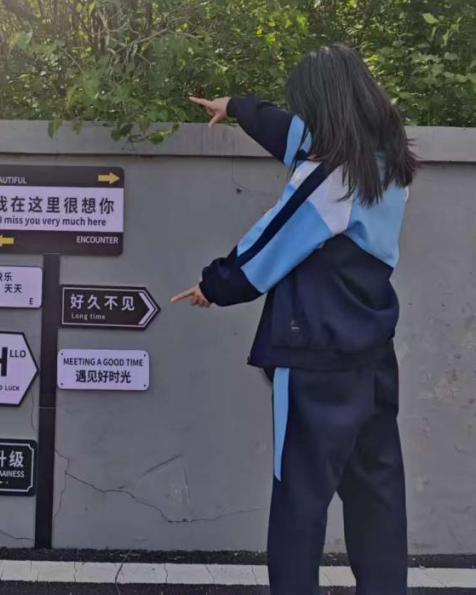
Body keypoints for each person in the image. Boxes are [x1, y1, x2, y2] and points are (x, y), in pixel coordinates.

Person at [177, 43, 419, 595]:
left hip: (314, 360)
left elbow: (270, 243)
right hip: (372, 357)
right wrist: (237, 107)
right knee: (377, 493)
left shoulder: (331, 178)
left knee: (299, 502)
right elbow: (295, 135)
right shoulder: (389, 162)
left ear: (323, 108)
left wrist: (214, 285)